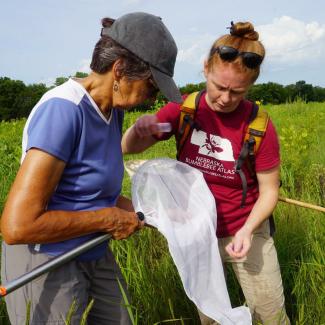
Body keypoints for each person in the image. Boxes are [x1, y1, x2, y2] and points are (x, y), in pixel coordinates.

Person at [0, 12, 182, 325]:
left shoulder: (113, 111)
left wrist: (160, 213)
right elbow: (17, 226)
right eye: (152, 87)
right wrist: (107, 219)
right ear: (120, 70)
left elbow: (94, 193)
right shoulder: (63, 112)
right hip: (47, 259)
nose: (152, 99)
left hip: (92, 250)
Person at [122, 21, 290, 324]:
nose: (225, 98)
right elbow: (131, 146)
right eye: (219, 87)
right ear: (205, 70)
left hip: (245, 228)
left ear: (250, 87)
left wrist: (248, 231)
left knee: (270, 314)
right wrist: (140, 129)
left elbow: (269, 191)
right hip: (196, 231)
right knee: (210, 313)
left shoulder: (259, 126)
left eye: (237, 92)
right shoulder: (183, 111)